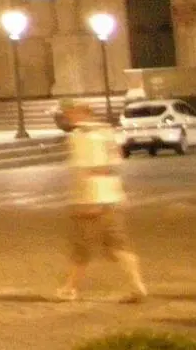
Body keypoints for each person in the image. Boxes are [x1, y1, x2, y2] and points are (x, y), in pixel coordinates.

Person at [57, 101, 147, 303]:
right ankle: (137, 285)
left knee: (82, 246)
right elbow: (116, 160)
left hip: (90, 199)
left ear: (80, 113)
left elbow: (83, 169)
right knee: (118, 244)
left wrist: (86, 203)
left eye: (70, 112)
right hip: (112, 196)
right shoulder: (106, 131)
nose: (67, 116)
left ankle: (70, 288)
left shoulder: (80, 136)